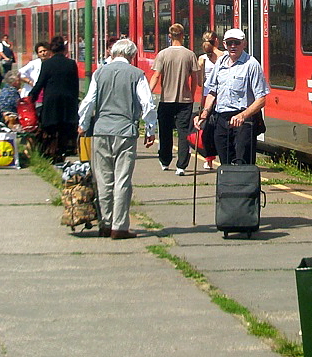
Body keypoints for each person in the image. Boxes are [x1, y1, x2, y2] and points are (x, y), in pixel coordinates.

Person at [77, 38, 157, 239]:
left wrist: (83, 125)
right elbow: (147, 104)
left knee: (103, 179)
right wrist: (150, 130)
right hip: (125, 131)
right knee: (122, 179)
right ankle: (119, 226)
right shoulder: (137, 75)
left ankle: (105, 223)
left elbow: (89, 102)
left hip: (101, 130)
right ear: (132, 56)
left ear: (112, 53)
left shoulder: (99, 73)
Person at [194, 28, 268, 166]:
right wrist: (204, 113)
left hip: (243, 121)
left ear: (244, 43)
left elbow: (261, 98)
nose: (233, 46)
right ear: (224, 44)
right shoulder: (220, 63)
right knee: (225, 162)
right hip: (221, 119)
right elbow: (212, 91)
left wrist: (243, 116)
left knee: (243, 162)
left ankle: (244, 186)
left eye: (236, 42)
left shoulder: (251, 64)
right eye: (229, 43)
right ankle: (228, 187)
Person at [149, 23, 203, 175]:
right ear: (183, 35)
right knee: (183, 133)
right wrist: (191, 95)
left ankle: (165, 161)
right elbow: (194, 79)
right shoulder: (189, 54)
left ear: (169, 36)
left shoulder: (163, 54)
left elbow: (156, 75)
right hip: (185, 101)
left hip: (166, 100)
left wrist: (147, 93)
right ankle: (181, 166)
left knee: (165, 132)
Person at [29, 36, 79, 163]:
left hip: (51, 102)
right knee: (64, 128)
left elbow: (40, 83)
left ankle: (52, 152)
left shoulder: (47, 64)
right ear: (64, 49)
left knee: (51, 129)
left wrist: (31, 97)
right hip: (67, 102)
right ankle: (62, 152)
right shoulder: (71, 64)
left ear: (52, 50)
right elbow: (75, 86)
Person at [197, 30, 225, 170]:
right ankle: (225, 158)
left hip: (207, 97)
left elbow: (200, 83)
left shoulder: (202, 59)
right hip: (223, 97)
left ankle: (208, 160)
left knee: (207, 129)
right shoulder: (225, 57)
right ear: (217, 41)